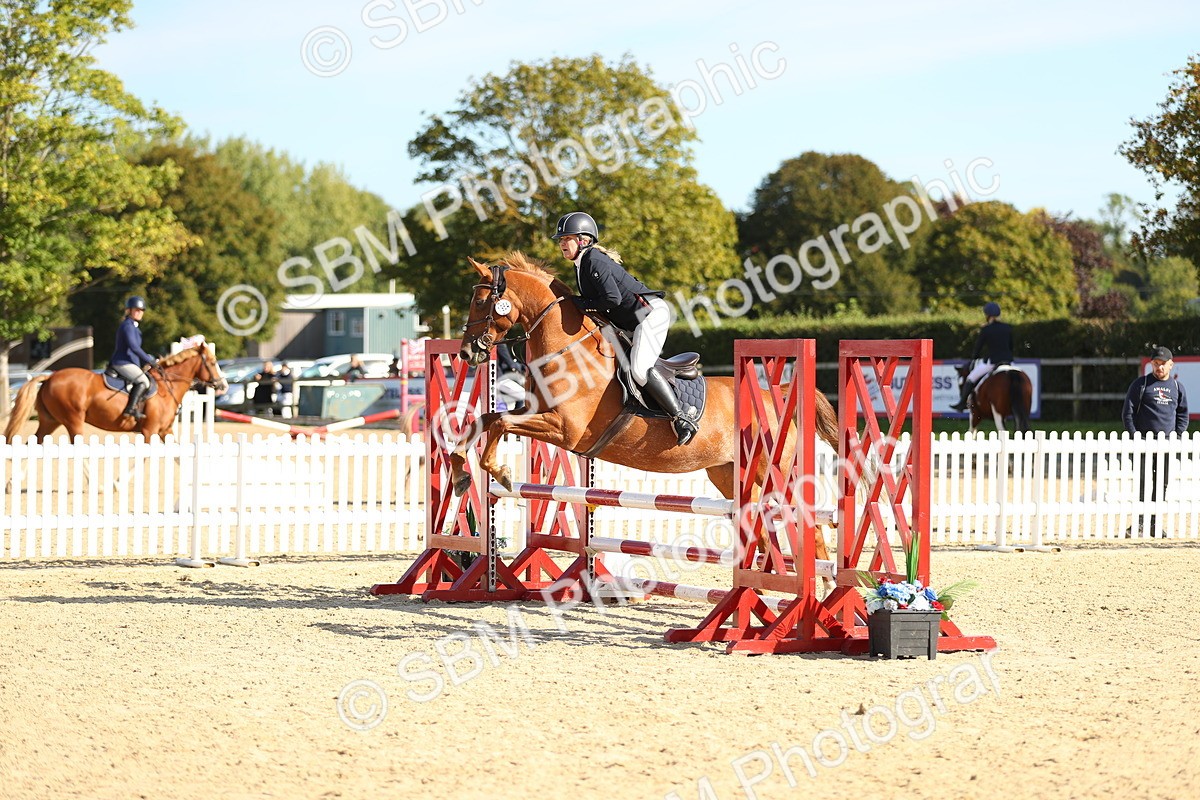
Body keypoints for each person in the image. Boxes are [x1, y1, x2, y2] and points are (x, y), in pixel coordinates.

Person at [552, 211, 698, 446]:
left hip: (650, 315)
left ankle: (681, 418)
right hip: (633, 322)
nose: (561, 244)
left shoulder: (592, 260)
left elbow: (612, 299)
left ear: (583, 240)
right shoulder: (581, 264)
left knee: (640, 369)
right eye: (560, 240)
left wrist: (577, 303)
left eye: (566, 238)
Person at [1122, 345, 1188, 537]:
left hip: (1166, 445)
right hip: (1143, 443)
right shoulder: (1140, 384)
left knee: (1162, 484)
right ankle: (1140, 523)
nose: (1159, 368)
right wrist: (1135, 435)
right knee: (1143, 482)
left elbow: (1182, 413)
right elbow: (1128, 412)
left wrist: (1177, 434)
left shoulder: (1177, 387)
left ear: (1171, 365)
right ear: (1151, 364)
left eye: (1163, 364)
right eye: (1156, 364)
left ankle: (1155, 523)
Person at [950, 301, 1014, 411]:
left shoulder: (986, 329)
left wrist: (974, 358)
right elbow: (1011, 346)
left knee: (971, 378)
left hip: (993, 361)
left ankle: (962, 404)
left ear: (987, 315)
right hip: (1009, 361)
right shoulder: (1008, 328)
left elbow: (978, 348)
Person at [110, 296, 157, 419]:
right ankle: (130, 409)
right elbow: (134, 348)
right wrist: (149, 360)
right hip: (123, 362)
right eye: (136, 310)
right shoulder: (128, 326)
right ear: (129, 310)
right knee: (143, 381)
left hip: (130, 362)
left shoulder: (134, 327)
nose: (139, 312)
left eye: (141, 310)